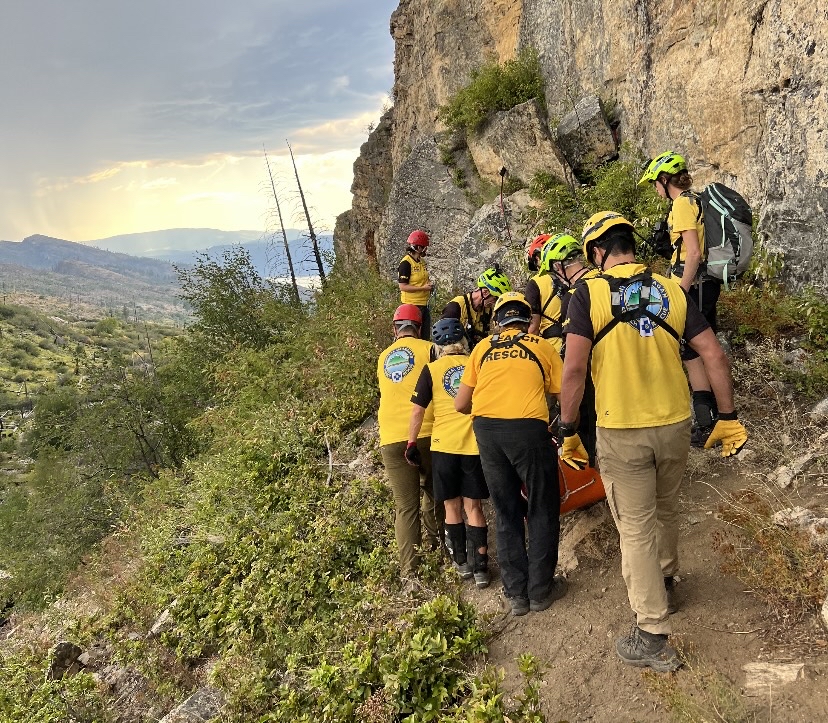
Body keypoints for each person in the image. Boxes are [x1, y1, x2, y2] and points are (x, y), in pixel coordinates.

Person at [559, 211, 748, 672]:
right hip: (675, 423)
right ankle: (665, 580)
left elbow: (574, 370)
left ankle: (651, 632)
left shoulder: (589, 294)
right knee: (665, 507)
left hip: (623, 429)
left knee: (636, 525)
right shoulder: (671, 289)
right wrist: (727, 416)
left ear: (598, 252)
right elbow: (712, 353)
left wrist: (566, 430)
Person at [454, 291, 568, 616]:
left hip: (488, 432)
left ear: (498, 320)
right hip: (529, 430)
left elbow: (461, 404)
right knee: (543, 506)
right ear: (527, 319)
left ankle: (517, 594)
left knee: (505, 510)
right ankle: (540, 590)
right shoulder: (541, 346)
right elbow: (564, 393)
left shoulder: (481, 349)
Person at [639, 152, 722, 447]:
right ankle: (716, 418)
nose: (655, 189)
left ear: (664, 180)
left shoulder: (682, 204)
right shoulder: (694, 200)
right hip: (705, 284)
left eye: (655, 183)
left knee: (692, 353)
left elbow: (694, 253)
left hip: (694, 285)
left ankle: (706, 424)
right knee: (704, 349)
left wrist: (680, 291)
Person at [408, 317, 491, 589]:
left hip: (443, 447)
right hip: (474, 446)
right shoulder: (475, 364)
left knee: (451, 507)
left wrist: (411, 444)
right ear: (463, 341)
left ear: (437, 345)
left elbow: (418, 410)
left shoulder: (430, 370)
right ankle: (482, 568)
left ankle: (461, 563)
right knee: (474, 507)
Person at [377, 304, 441, 581]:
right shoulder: (430, 349)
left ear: (395, 329)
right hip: (426, 431)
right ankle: (440, 547)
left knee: (405, 507)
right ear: (419, 327)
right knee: (434, 493)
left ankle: (410, 575)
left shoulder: (382, 358)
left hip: (391, 437)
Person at [441, 266, 511, 349]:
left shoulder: (487, 310)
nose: (495, 302)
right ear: (485, 292)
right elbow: (443, 340)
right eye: (495, 298)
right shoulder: (455, 307)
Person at [398, 230, 434, 340]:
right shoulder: (406, 263)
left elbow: (422, 278)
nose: (425, 249)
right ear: (418, 247)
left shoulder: (421, 262)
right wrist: (423, 288)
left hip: (424, 305)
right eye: (424, 247)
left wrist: (429, 285)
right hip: (411, 305)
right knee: (413, 336)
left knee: (424, 337)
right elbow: (403, 286)